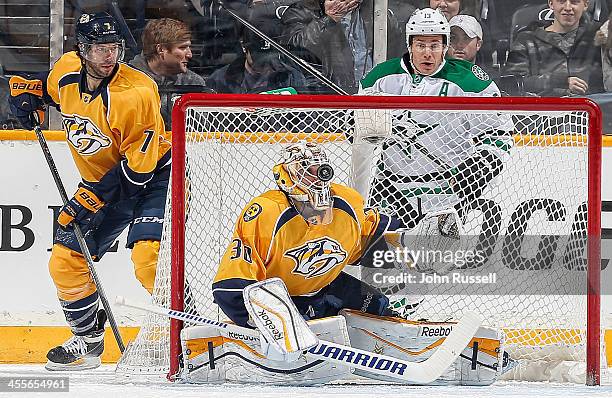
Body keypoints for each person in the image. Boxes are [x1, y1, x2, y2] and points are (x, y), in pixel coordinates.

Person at [8, 12, 170, 371]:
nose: (108, 56)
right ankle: (88, 341)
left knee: (149, 261)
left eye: (113, 48)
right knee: (65, 262)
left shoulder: (137, 92)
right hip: (104, 182)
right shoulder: (67, 69)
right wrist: (26, 96)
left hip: (156, 178)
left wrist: (92, 197)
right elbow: (48, 92)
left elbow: (137, 171)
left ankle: (184, 336)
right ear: (82, 50)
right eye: (99, 48)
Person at [211, 141, 404, 328]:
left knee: (377, 306)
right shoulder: (268, 213)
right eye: (306, 171)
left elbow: (378, 238)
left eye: (320, 170)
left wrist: (422, 242)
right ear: (286, 176)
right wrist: (258, 320)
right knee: (292, 329)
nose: (317, 178)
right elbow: (231, 283)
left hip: (325, 289)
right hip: (279, 297)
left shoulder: (347, 203)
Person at [357, 7, 513, 228]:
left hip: (446, 192)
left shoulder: (470, 82)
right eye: (420, 45)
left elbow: (500, 135)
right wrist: (360, 124)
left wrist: (481, 167)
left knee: (436, 261)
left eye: (434, 45)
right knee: (378, 259)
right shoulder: (381, 77)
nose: (427, 53)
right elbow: (350, 124)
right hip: (391, 189)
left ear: (445, 46)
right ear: (409, 45)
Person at [280, 0, 403, 93]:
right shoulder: (301, 10)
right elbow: (295, 49)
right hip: (329, 97)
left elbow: (396, 49)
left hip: (372, 93)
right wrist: (328, 19)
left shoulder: (377, 10)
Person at [503, 0, 604, 96]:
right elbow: (511, 84)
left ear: (585, 5)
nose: (568, 7)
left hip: (591, 108)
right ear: (551, 4)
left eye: (574, 1)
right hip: (544, 109)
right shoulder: (527, 39)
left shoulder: (596, 38)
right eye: (561, 1)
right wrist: (558, 81)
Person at [207, 5, 311, 94]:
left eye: (269, 55)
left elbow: (306, 115)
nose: (264, 63)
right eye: (259, 56)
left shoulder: (291, 77)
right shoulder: (220, 80)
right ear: (244, 47)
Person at [129, 18, 209, 130]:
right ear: (161, 49)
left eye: (189, 47)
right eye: (182, 48)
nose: (189, 54)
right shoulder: (125, 81)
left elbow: (202, 134)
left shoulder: (194, 83)